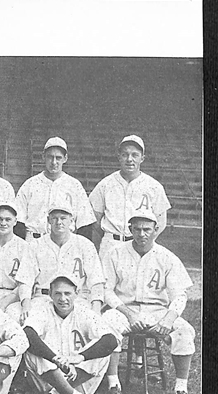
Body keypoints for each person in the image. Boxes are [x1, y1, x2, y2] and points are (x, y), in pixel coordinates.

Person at [101, 209, 196, 394]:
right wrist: (128, 313)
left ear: (156, 230)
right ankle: (113, 384)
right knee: (107, 324)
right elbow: (106, 291)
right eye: (137, 229)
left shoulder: (167, 257)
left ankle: (181, 389)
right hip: (125, 309)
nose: (141, 234)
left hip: (157, 311)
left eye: (146, 229)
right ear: (130, 230)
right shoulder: (115, 253)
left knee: (184, 331)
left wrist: (168, 319)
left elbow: (179, 294)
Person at [23, 275, 118, 394]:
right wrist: (55, 359)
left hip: (79, 379)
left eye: (67, 293)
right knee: (30, 352)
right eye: (58, 293)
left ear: (76, 294)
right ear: (50, 294)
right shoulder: (42, 310)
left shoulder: (85, 313)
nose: (63, 299)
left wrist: (77, 358)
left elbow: (110, 340)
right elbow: (28, 333)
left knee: (103, 352)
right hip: (49, 379)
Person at [89, 135, 171, 263]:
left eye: (135, 155)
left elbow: (161, 222)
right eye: (125, 154)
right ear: (119, 157)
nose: (129, 159)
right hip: (111, 243)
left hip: (139, 245)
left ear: (142, 158)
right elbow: (95, 219)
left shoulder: (154, 186)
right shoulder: (105, 184)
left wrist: (144, 242)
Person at [22, 201, 106, 320]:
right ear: (48, 220)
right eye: (54, 218)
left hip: (77, 300)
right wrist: (26, 305)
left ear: (71, 220)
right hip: (43, 299)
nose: (59, 222)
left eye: (63, 218)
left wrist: (96, 309)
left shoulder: (85, 245)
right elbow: (25, 280)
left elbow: (96, 281)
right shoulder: (35, 245)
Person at [14, 137, 96, 240]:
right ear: (43, 157)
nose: (54, 162)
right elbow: (18, 222)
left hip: (64, 242)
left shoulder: (74, 185)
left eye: (58, 158)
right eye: (50, 157)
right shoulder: (30, 184)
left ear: (65, 158)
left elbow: (85, 224)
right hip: (35, 240)